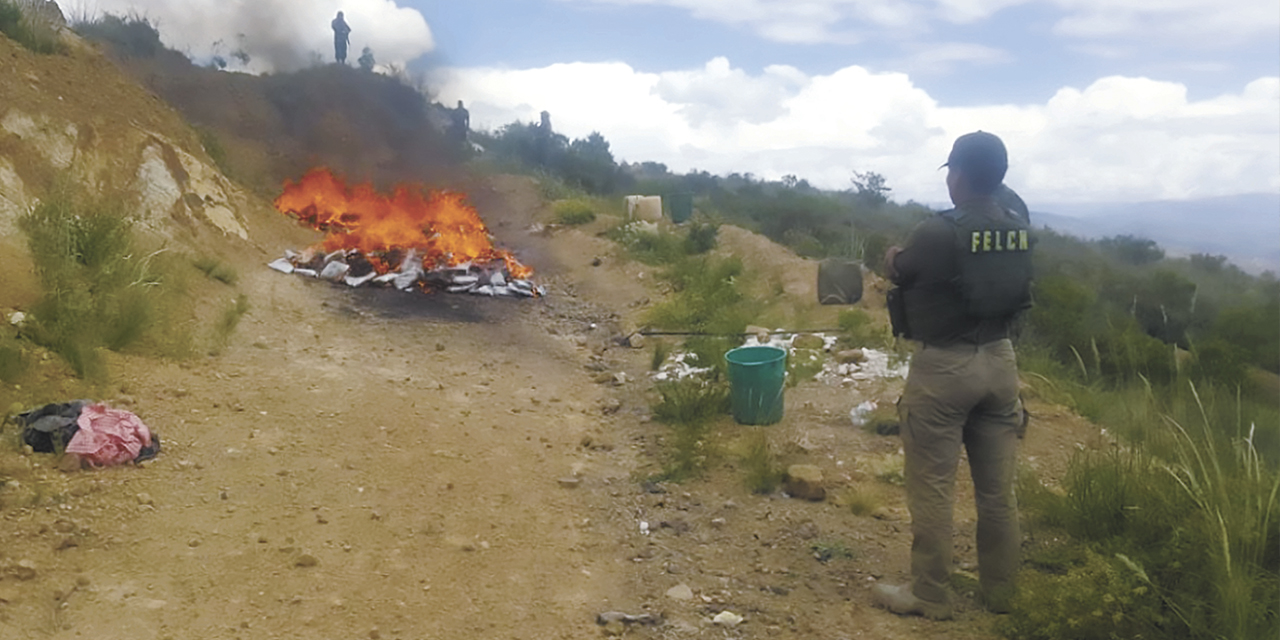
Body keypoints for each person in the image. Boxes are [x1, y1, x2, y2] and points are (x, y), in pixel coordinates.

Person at [873, 131, 1033, 620]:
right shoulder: (1018, 226)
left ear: (958, 175)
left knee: (934, 487)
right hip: (1001, 362)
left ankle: (930, 594)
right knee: (997, 492)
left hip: (944, 366)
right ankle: (1002, 593)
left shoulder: (938, 232)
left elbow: (901, 268)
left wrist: (891, 255)